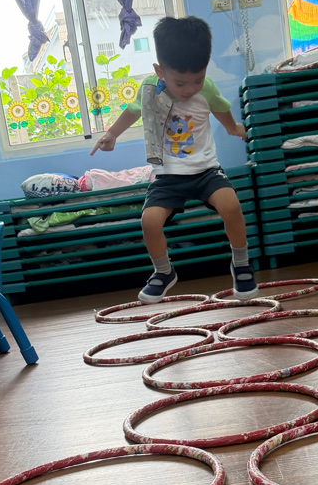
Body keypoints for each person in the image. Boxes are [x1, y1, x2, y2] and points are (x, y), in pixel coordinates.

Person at [89, 15, 258, 303]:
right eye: (181, 83)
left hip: (206, 170)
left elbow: (221, 108)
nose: (190, 89)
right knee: (149, 221)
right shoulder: (149, 90)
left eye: (198, 80)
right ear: (160, 71)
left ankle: (241, 263)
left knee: (231, 205)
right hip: (168, 175)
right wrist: (112, 134)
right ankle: (163, 271)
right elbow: (133, 111)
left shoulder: (207, 89)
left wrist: (233, 128)